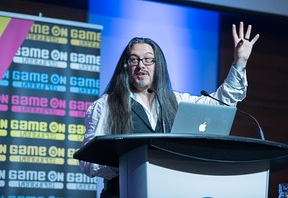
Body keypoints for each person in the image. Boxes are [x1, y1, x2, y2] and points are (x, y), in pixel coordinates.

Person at [80, 21, 260, 197]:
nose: (141, 65)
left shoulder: (176, 101)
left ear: (158, 65)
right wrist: (129, 160)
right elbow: (89, 162)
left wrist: (240, 62)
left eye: (148, 59)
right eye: (134, 59)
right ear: (125, 66)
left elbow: (221, 103)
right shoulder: (105, 105)